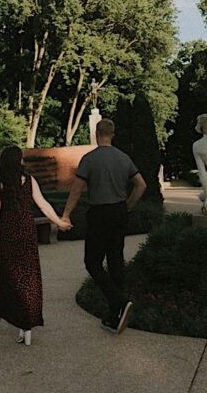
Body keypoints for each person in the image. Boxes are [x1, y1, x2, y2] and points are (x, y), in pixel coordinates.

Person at [61, 117, 146, 335]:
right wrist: (127, 206)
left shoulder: (89, 159)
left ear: (96, 134)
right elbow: (141, 185)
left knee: (92, 262)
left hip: (99, 213)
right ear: (113, 134)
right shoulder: (124, 158)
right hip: (119, 212)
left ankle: (118, 302)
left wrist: (66, 214)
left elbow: (77, 190)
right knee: (115, 259)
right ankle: (114, 316)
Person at [0, 146, 71, 346]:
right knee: (28, 278)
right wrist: (58, 222)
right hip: (26, 234)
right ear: (19, 161)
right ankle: (26, 326)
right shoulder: (30, 181)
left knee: (4, 276)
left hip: (6, 234)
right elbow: (43, 205)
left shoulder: (0, 183)